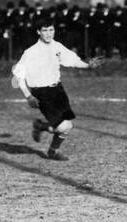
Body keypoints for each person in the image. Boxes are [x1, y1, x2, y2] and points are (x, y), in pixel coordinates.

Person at [12, 18, 91, 161]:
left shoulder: (57, 46)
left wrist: (88, 65)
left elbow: (72, 60)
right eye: (45, 30)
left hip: (58, 90)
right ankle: (52, 148)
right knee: (64, 127)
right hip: (41, 92)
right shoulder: (30, 52)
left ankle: (44, 132)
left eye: (51, 30)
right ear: (38, 32)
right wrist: (28, 96)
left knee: (66, 126)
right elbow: (18, 76)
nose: (48, 33)